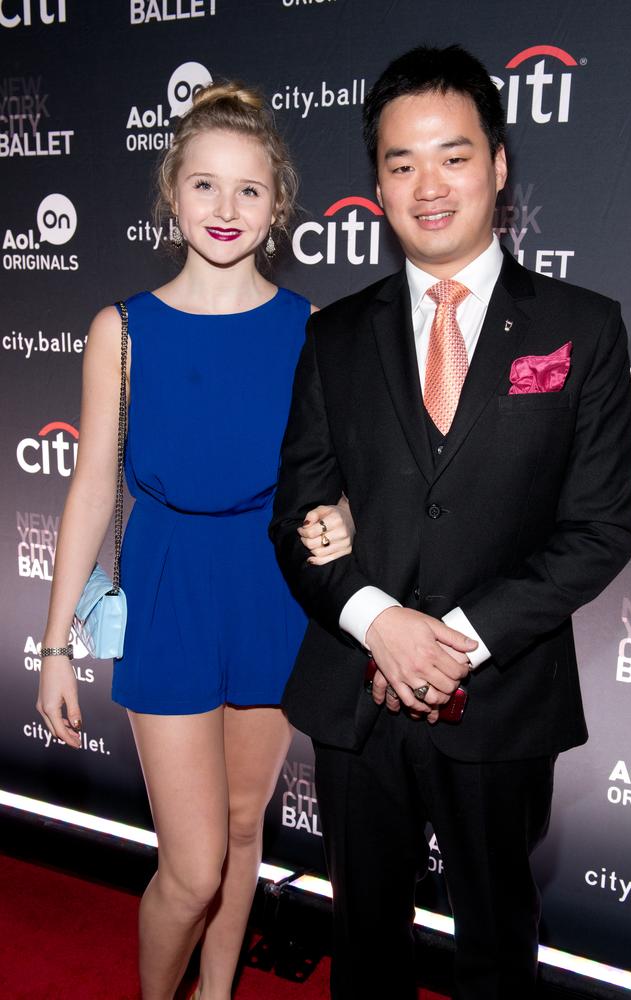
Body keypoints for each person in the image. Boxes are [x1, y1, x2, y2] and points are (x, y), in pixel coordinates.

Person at [270, 44, 631, 1000]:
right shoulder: (334, 334)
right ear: (378, 184)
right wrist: (378, 622)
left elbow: (600, 527)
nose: (428, 186)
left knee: (496, 950)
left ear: (501, 162)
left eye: (454, 155)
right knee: (366, 949)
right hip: (356, 693)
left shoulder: (583, 327)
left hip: (503, 694)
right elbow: (297, 514)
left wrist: (455, 642)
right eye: (401, 164)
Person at [36, 81, 353, 1000]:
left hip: (271, 593)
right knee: (193, 867)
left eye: (249, 190)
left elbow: (338, 486)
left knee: (247, 824)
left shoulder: (313, 331)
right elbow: (92, 486)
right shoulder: (122, 331)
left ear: (278, 206)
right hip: (170, 592)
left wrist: (345, 520)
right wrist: (56, 646)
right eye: (205, 186)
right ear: (172, 196)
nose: (226, 209)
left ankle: (217, 995)